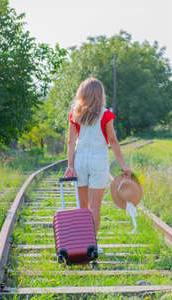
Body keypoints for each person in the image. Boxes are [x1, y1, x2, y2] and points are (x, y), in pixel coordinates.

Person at [64, 77, 131, 235]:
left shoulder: (75, 115)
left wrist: (70, 166)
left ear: (82, 94)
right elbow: (113, 141)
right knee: (95, 207)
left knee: (82, 206)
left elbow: (70, 142)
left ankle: (83, 242)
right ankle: (92, 245)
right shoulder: (105, 115)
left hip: (80, 162)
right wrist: (124, 166)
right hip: (98, 163)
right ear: (100, 95)